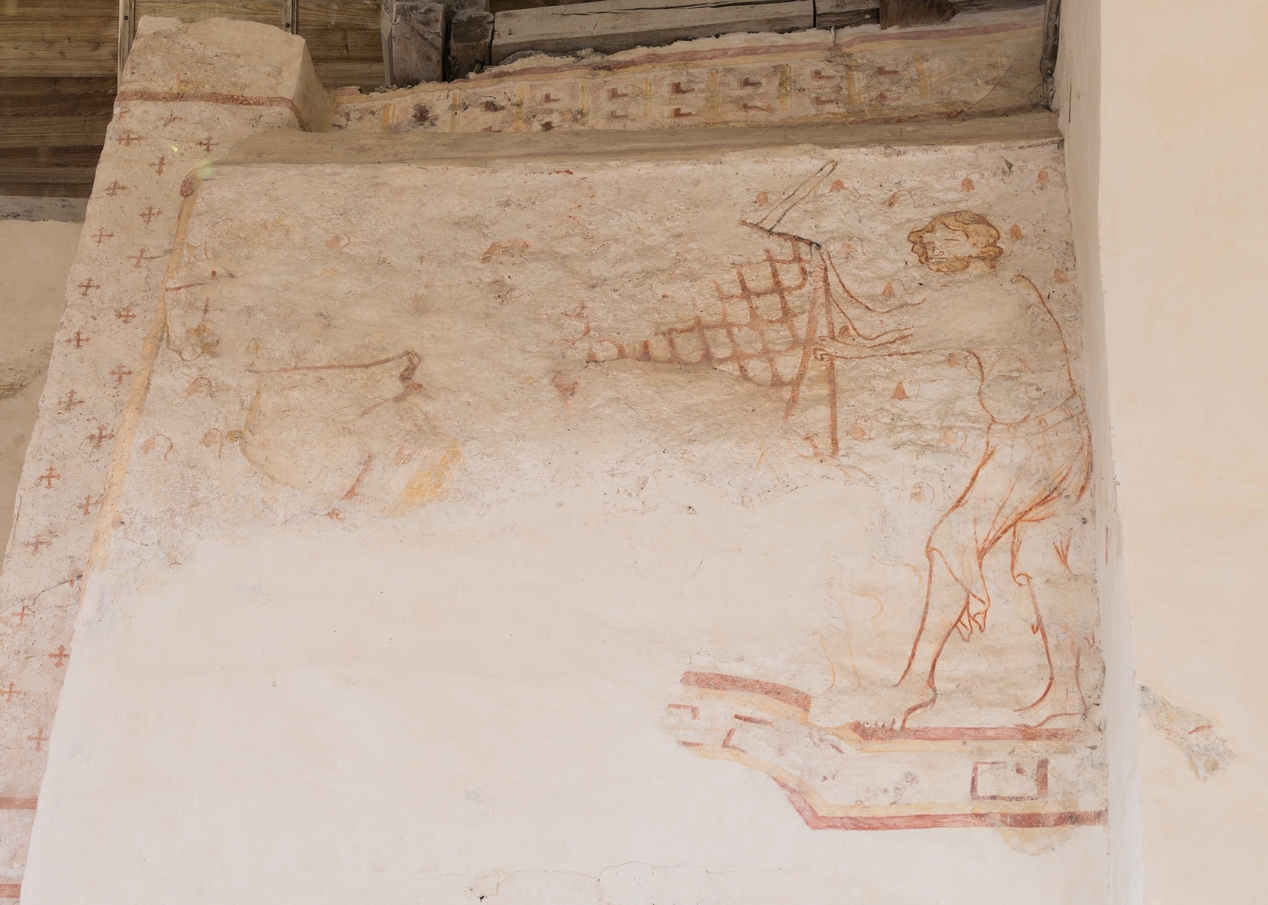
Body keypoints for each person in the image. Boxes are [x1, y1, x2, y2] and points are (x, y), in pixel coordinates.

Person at [812, 211, 1093, 729]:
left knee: (953, 538)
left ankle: (916, 685)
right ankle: (1069, 694)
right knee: (1044, 561)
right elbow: (881, 323)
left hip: (1042, 438)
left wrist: (850, 340)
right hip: (1042, 433)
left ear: (977, 243)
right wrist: (827, 271)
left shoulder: (996, 293)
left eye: (949, 237)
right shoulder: (976, 292)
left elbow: (890, 332)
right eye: (932, 239)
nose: (935, 246)